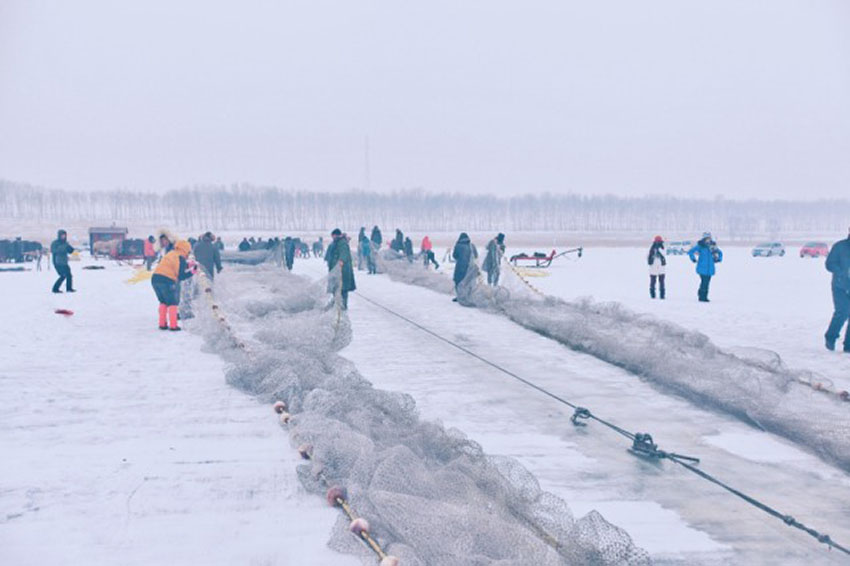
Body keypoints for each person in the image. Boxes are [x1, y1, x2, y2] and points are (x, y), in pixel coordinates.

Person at [151, 240, 195, 331]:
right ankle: (173, 326)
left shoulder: (171, 254)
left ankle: (162, 324)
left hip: (155, 279)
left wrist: (187, 265)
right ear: (186, 249)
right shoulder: (180, 258)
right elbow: (181, 276)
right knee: (172, 303)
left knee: (163, 301)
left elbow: (174, 267)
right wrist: (192, 272)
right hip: (166, 280)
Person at [825, 227, 850, 352]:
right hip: (840, 286)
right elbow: (829, 264)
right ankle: (831, 337)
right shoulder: (839, 247)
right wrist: (842, 273)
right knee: (843, 312)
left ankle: (848, 345)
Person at [687, 232, 723, 302]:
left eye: (709, 238)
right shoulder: (700, 246)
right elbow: (691, 251)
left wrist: (719, 259)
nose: (708, 240)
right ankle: (703, 297)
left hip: (710, 268)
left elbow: (720, 252)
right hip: (702, 267)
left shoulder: (713, 246)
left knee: (706, 282)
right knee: (704, 282)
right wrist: (693, 259)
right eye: (706, 238)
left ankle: (702, 295)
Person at [325, 229, 356, 309]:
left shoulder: (342, 243)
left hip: (342, 270)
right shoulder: (336, 242)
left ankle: (343, 305)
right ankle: (337, 303)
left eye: (333, 236)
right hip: (336, 269)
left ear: (336, 235)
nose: (332, 237)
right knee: (336, 287)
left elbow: (344, 253)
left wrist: (341, 261)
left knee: (343, 288)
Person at [452, 232, 477, 301]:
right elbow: (476, 256)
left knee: (458, 280)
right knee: (469, 281)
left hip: (460, 267)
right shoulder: (472, 246)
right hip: (470, 267)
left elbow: (454, 256)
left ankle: (460, 296)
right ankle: (468, 296)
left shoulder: (458, 245)